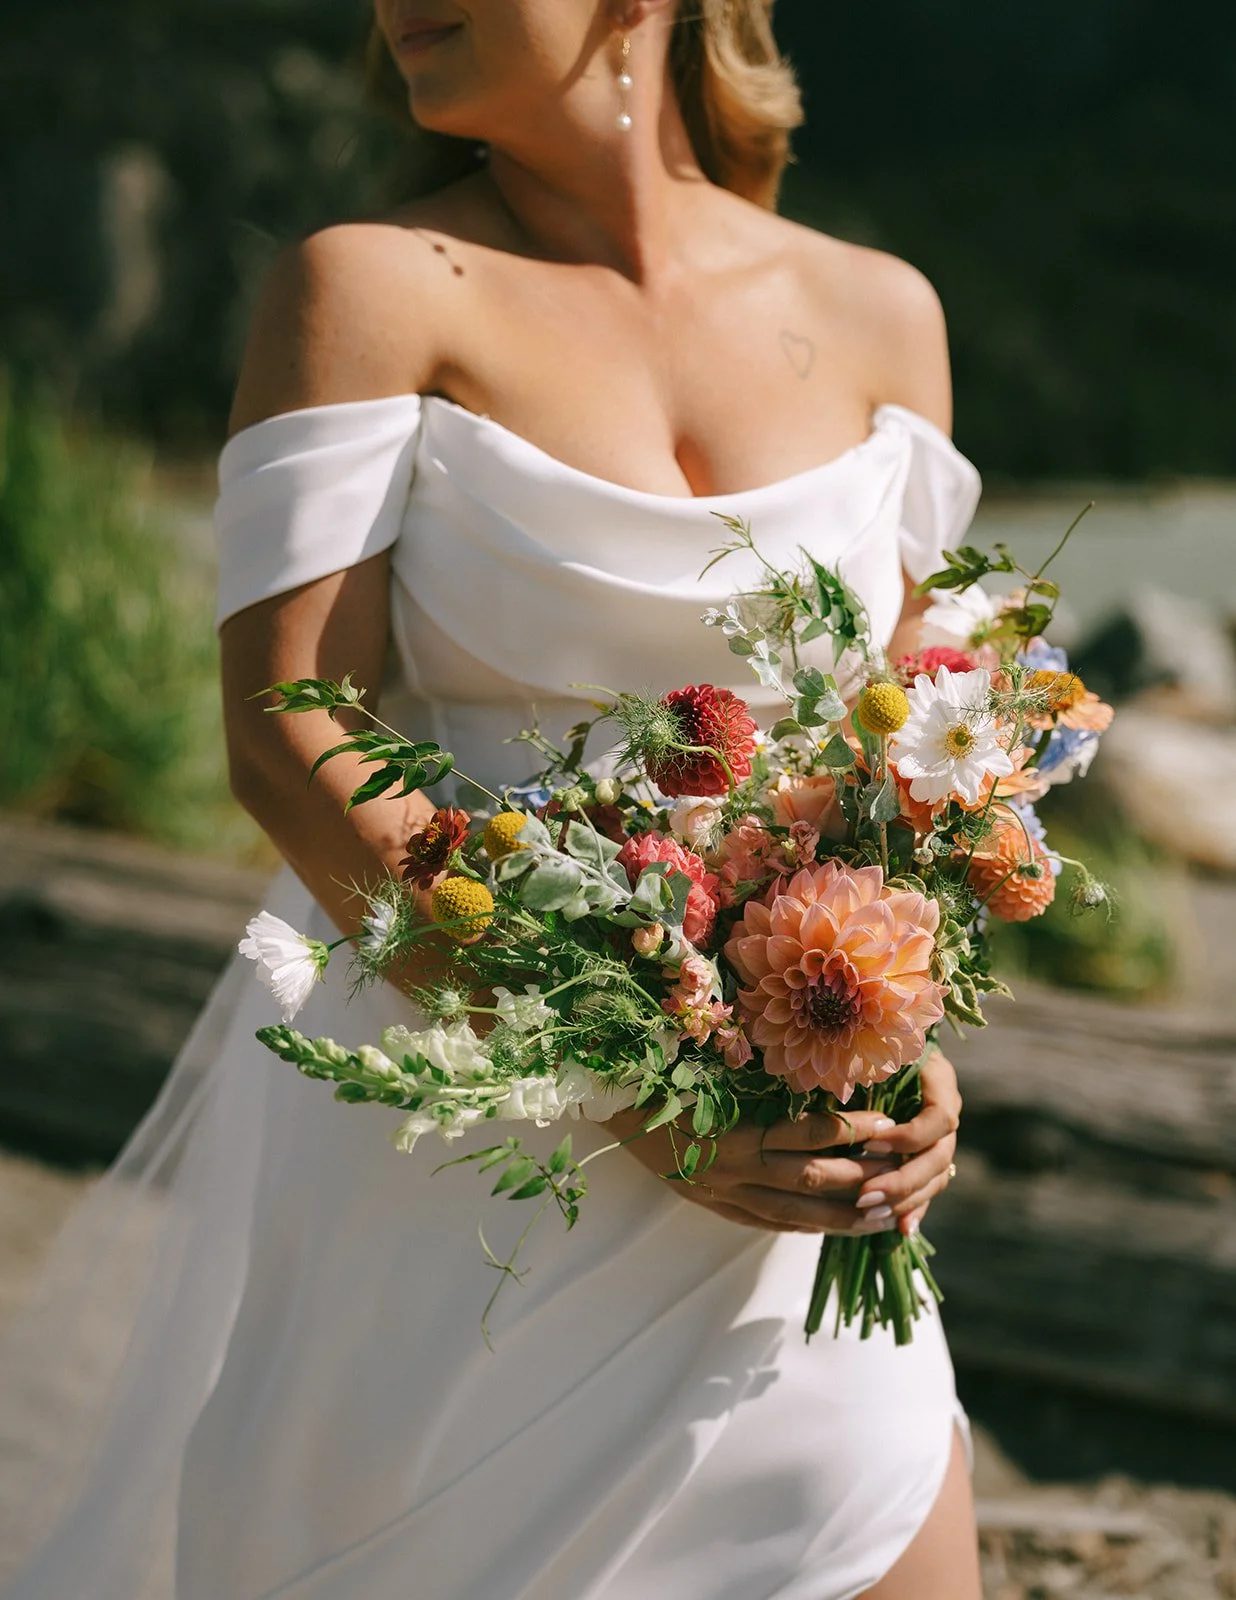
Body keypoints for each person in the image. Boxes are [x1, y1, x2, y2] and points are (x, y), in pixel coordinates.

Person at [3, 1, 984, 1595]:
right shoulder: (367, 285)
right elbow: (286, 734)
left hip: (791, 1165)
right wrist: (614, 1084)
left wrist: (905, 1031)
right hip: (467, 1147)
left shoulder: (884, 314)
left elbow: (910, 751)